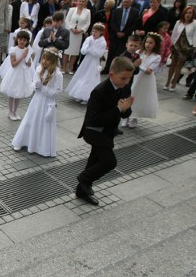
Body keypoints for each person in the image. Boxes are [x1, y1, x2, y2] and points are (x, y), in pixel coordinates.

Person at [76, 57, 135, 205]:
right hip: (94, 131)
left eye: (129, 78)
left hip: (108, 131)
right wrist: (117, 109)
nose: (126, 82)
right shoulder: (99, 91)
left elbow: (125, 113)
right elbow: (94, 119)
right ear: (111, 75)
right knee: (109, 162)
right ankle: (84, 179)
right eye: (123, 78)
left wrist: (125, 110)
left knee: (94, 160)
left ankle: (81, 190)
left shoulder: (125, 88)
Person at [11, 46, 63, 156]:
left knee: (43, 124)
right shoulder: (39, 69)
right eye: (43, 58)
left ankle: (40, 147)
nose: (44, 61)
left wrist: (43, 88)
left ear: (53, 61)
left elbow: (57, 92)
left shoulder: (57, 74)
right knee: (30, 120)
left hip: (48, 103)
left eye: (48, 59)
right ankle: (23, 141)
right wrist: (36, 86)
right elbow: (33, 83)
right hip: (37, 100)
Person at [126, 32, 162, 128]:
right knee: (131, 94)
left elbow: (149, 70)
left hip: (145, 80)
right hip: (135, 77)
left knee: (139, 97)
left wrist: (139, 65)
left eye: (151, 43)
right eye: (147, 42)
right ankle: (126, 115)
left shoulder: (156, 57)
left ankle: (134, 117)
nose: (148, 45)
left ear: (155, 45)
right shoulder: (138, 52)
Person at [66, 23, 107, 104]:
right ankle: (78, 95)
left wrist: (91, 48)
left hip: (94, 62)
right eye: (93, 31)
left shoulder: (103, 42)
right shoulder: (89, 39)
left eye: (96, 32)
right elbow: (83, 51)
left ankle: (87, 97)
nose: (94, 33)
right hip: (86, 61)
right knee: (82, 76)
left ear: (101, 33)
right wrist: (87, 47)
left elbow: (99, 54)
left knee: (90, 78)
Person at [0, 31, 34, 120]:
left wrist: (28, 62)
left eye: (24, 40)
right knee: (12, 93)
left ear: (27, 41)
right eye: (20, 39)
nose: (22, 41)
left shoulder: (27, 50)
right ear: (17, 39)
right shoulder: (13, 50)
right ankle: (10, 111)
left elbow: (29, 64)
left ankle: (15, 111)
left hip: (23, 73)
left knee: (19, 93)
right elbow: (13, 64)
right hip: (15, 73)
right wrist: (22, 56)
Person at [166, 6, 196, 91]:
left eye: (190, 13)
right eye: (186, 13)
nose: (188, 15)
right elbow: (174, 34)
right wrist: (171, 44)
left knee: (179, 65)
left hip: (186, 46)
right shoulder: (179, 22)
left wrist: (195, 47)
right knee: (172, 64)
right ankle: (168, 81)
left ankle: (174, 83)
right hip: (177, 44)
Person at [103, 0, 137, 74]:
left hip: (125, 36)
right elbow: (112, 22)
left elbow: (134, 25)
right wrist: (117, 32)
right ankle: (107, 68)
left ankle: (118, 70)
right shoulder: (117, 11)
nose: (125, 3)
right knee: (111, 53)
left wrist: (124, 33)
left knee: (121, 54)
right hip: (115, 35)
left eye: (127, 2)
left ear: (131, 3)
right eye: (124, 2)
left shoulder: (135, 12)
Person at [63, 0, 91, 74]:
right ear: (77, 1)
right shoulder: (72, 10)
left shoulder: (88, 11)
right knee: (67, 51)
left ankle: (70, 68)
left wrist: (81, 30)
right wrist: (71, 28)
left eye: (83, 1)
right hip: (70, 32)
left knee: (75, 52)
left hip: (79, 34)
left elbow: (87, 23)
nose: (81, 3)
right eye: (80, 1)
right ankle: (64, 67)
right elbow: (67, 20)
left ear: (85, 3)